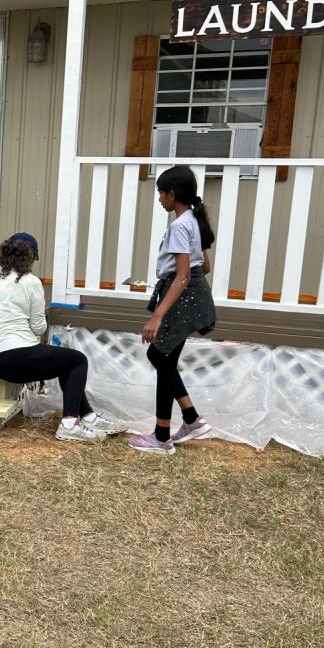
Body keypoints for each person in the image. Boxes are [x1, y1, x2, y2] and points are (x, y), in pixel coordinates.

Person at [0, 232, 126, 443]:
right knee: (77, 360)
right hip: (20, 358)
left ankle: (88, 416)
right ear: (30, 257)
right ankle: (69, 425)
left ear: (4, 252)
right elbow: (38, 329)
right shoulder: (31, 282)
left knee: (66, 363)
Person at [128, 165, 218, 457]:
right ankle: (176, 427)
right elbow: (204, 266)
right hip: (194, 292)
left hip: (182, 295)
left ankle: (176, 428)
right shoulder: (193, 219)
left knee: (158, 355)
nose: (159, 199)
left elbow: (182, 275)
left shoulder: (180, 225)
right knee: (163, 358)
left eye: (161, 193)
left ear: (173, 194)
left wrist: (156, 316)